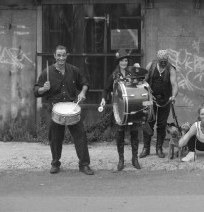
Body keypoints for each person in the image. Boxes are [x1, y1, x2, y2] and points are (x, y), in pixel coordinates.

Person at [34, 45, 94, 175]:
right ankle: (55, 163)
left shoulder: (74, 70)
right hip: (56, 109)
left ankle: (84, 165)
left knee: (81, 135)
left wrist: (83, 92)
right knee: (55, 138)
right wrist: (43, 89)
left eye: (63, 55)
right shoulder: (47, 72)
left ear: (67, 56)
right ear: (54, 56)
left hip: (72, 107)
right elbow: (35, 91)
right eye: (59, 55)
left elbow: (85, 83)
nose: (61, 58)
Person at [100, 49, 145, 170]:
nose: (124, 63)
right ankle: (121, 160)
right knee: (120, 134)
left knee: (134, 133)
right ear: (118, 62)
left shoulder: (132, 72)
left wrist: (139, 71)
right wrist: (104, 99)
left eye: (126, 60)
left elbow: (142, 84)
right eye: (122, 61)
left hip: (133, 106)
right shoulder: (114, 75)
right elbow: (105, 88)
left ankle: (134, 159)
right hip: (119, 108)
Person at [139, 50, 178, 158]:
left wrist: (173, 96)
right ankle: (146, 148)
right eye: (161, 61)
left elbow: (174, 84)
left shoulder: (171, 69)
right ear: (157, 59)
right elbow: (143, 81)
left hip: (165, 100)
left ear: (167, 60)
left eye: (165, 61)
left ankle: (159, 148)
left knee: (162, 124)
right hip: (150, 99)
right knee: (148, 122)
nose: (163, 63)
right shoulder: (150, 66)